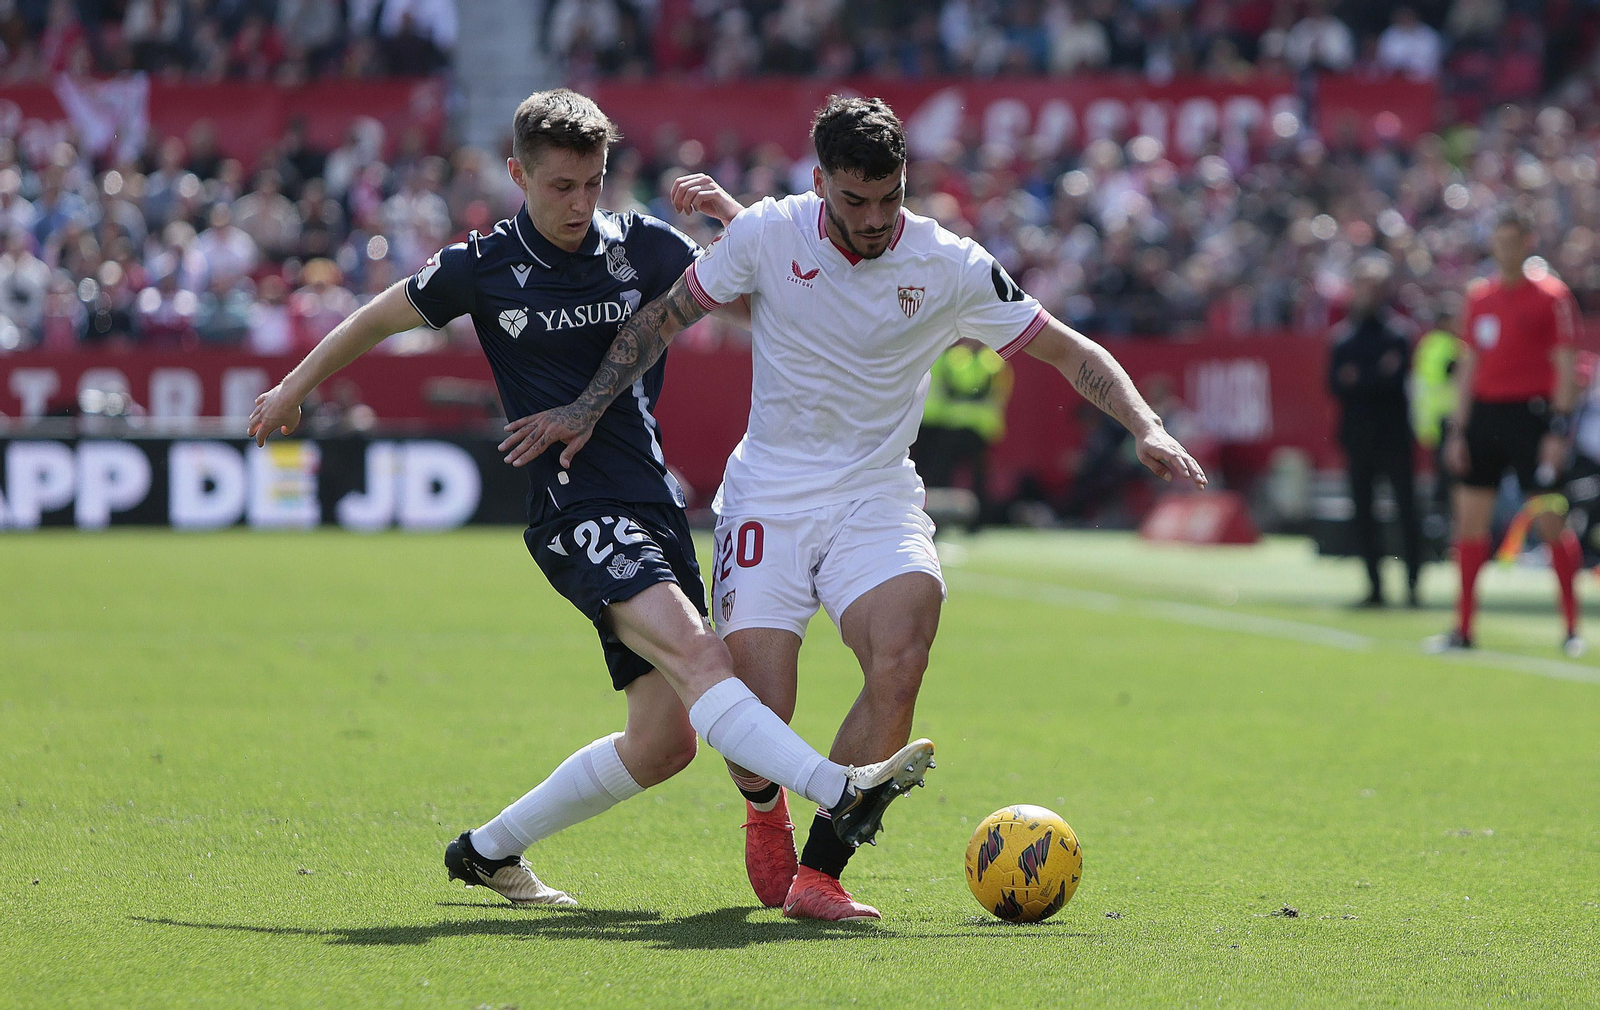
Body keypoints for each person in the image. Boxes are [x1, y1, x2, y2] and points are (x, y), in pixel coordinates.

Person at [502, 96, 1206, 921]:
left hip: (876, 493)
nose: (874, 220)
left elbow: (1068, 349)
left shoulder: (949, 263)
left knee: (903, 652)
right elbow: (663, 320)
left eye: (890, 198)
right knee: (757, 713)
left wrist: (1146, 426)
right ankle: (764, 812)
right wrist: (586, 407)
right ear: (820, 184)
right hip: (769, 491)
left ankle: (821, 871)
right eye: (854, 201)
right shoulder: (770, 231)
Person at [247, 89, 934, 908]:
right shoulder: (484, 265)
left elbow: (780, 299)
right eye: (560, 186)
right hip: (576, 509)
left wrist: (743, 220)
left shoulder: (642, 245)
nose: (579, 204)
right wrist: (293, 386)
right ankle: (837, 789)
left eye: (593, 183)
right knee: (703, 657)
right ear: (518, 176)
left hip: (654, 503)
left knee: (662, 743)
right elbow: (377, 317)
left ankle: (488, 852)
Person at [1428, 211, 1583, 655]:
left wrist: (1558, 428)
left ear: (1528, 242)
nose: (1506, 250)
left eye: (1514, 241)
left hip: (1532, 419)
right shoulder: (1480, 297)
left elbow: (1565, 365)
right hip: (1485, 418)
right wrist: (1458, 429)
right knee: (1469, 524)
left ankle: (1571, 627)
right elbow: (1469, 366)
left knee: (1551, 520)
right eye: (1500, 241)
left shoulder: (1551, 297)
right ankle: (1463, 629)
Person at [1327, 254, 1422, 608]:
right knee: (1363, 514)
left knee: (1406, 510)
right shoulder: (1342, 338)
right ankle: (1374, 587)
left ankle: (1413, 585)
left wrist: (1360, 379)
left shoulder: (1399, 333)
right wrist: (1374, 376)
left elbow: (1392, 380)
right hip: (1358, 436)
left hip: (1393, 435)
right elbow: (1336, 385)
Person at [912, 339, 1012, 532]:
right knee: (971, 477)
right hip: (975, 427)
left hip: (954, 425)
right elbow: (998, 393)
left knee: (946, 475)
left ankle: (942, 519)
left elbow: (950, 391)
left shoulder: (956, 359)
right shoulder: (994, 361)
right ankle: (974, 522)